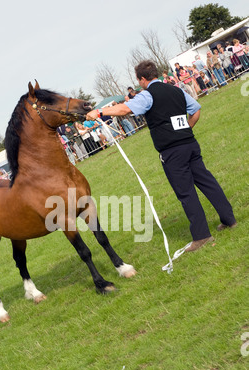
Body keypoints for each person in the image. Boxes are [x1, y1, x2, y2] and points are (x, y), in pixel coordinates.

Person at [86, 60, 237, 252]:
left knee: (186, 192)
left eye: (138, 80)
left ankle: (202, 236)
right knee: (207, 182)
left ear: (142, 79)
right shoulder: (176, 90)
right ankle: (229, 219)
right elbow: (196, 110)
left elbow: (124, 109)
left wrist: (99, 112)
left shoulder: (148, 95)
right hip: (190, 144)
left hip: (172, 152)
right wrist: (185, 130)